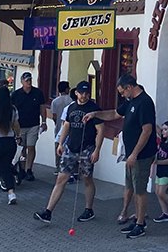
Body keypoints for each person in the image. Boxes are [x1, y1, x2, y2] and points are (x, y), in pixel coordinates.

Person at [83, 74, 156, 240]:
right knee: (131, 186)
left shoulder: (144, 102)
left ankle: (140, 223)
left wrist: (135, 153)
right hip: (131, 154)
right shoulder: (130, 101)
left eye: (123, 92)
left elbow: (147, 130)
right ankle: (137, 219)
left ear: (129, 87)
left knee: (140, 190)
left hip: (141, 155)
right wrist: (95, 114)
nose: (122, 95)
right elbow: (115, 114)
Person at [34, 81, 103, 224]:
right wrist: (61, 143)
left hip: (87, 148)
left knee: (87, 179)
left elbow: (100, 130)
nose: (84, 95)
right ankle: (48, 212)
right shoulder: (71, 107)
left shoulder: (94, 109)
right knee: (61, 179)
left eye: (86, 93)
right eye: (81, 92)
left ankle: (88, 209)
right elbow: (66, 125)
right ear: (76, 93)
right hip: (71, 147)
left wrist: (97, 150)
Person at [11, 71, 47, 182]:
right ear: (22, 81)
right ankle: (21, 168)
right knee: (21, 147)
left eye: (30, 80)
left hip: (33, 124)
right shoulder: (16, 94)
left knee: (31, 146)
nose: (29, 82)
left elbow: (42, 108)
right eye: (26, 80)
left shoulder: (38, 93)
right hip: (20, 125)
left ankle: (29, 169)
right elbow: (12, 110)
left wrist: (44, 121)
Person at [50, 81, 73, 175]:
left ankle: (58, 167)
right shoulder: (71, 101)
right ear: (67, 89)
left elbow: (54, 116)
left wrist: (57, 124)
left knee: (58, 147)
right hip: (70, 129)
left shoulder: (55, 101)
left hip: (59, 128)